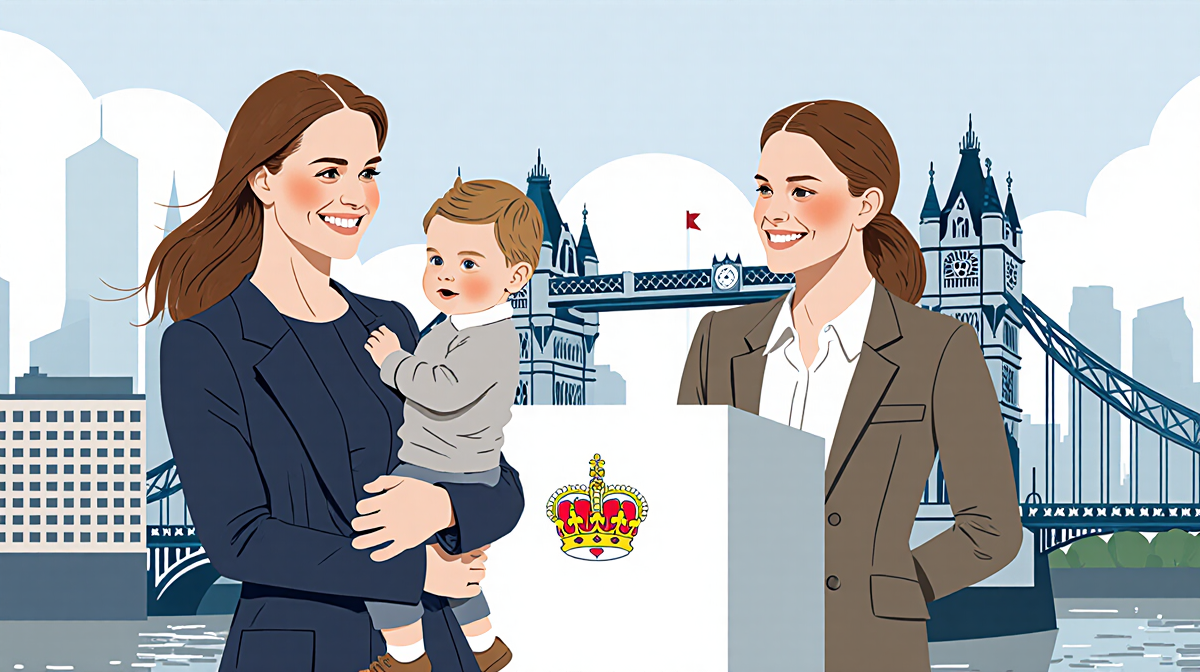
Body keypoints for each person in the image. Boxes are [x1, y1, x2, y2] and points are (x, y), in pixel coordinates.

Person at [149, 70, 523, 672]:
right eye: (329, 171)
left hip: (437, 649)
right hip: (303, 652)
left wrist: (445, 511)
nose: (356, 195)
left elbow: (496, 477)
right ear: (263, 179)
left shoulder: (393, 327)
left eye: (368, 171)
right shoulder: (204, 346)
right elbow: (239, 539)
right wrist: (418, 567)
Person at [677, 100, 1023, 671]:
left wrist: (895, 587)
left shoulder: (940, 350)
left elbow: (992, 530)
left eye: (802, 191)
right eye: (765, 189)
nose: (774, 212)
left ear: (866, 205)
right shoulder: (719, 338)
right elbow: (684, 495)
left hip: (873, 649)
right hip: (736, 646)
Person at [357, 177, 541, 672]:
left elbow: (443, 389)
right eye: (436, 258)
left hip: (443, 467)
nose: (446, 273)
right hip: (450, 463)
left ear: (516, 276)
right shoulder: (455, 325)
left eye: (468, 263)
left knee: (385, 550)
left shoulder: (488, 339)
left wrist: (393, 362)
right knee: (457, 573)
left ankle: (406, 658)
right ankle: (486, 646)